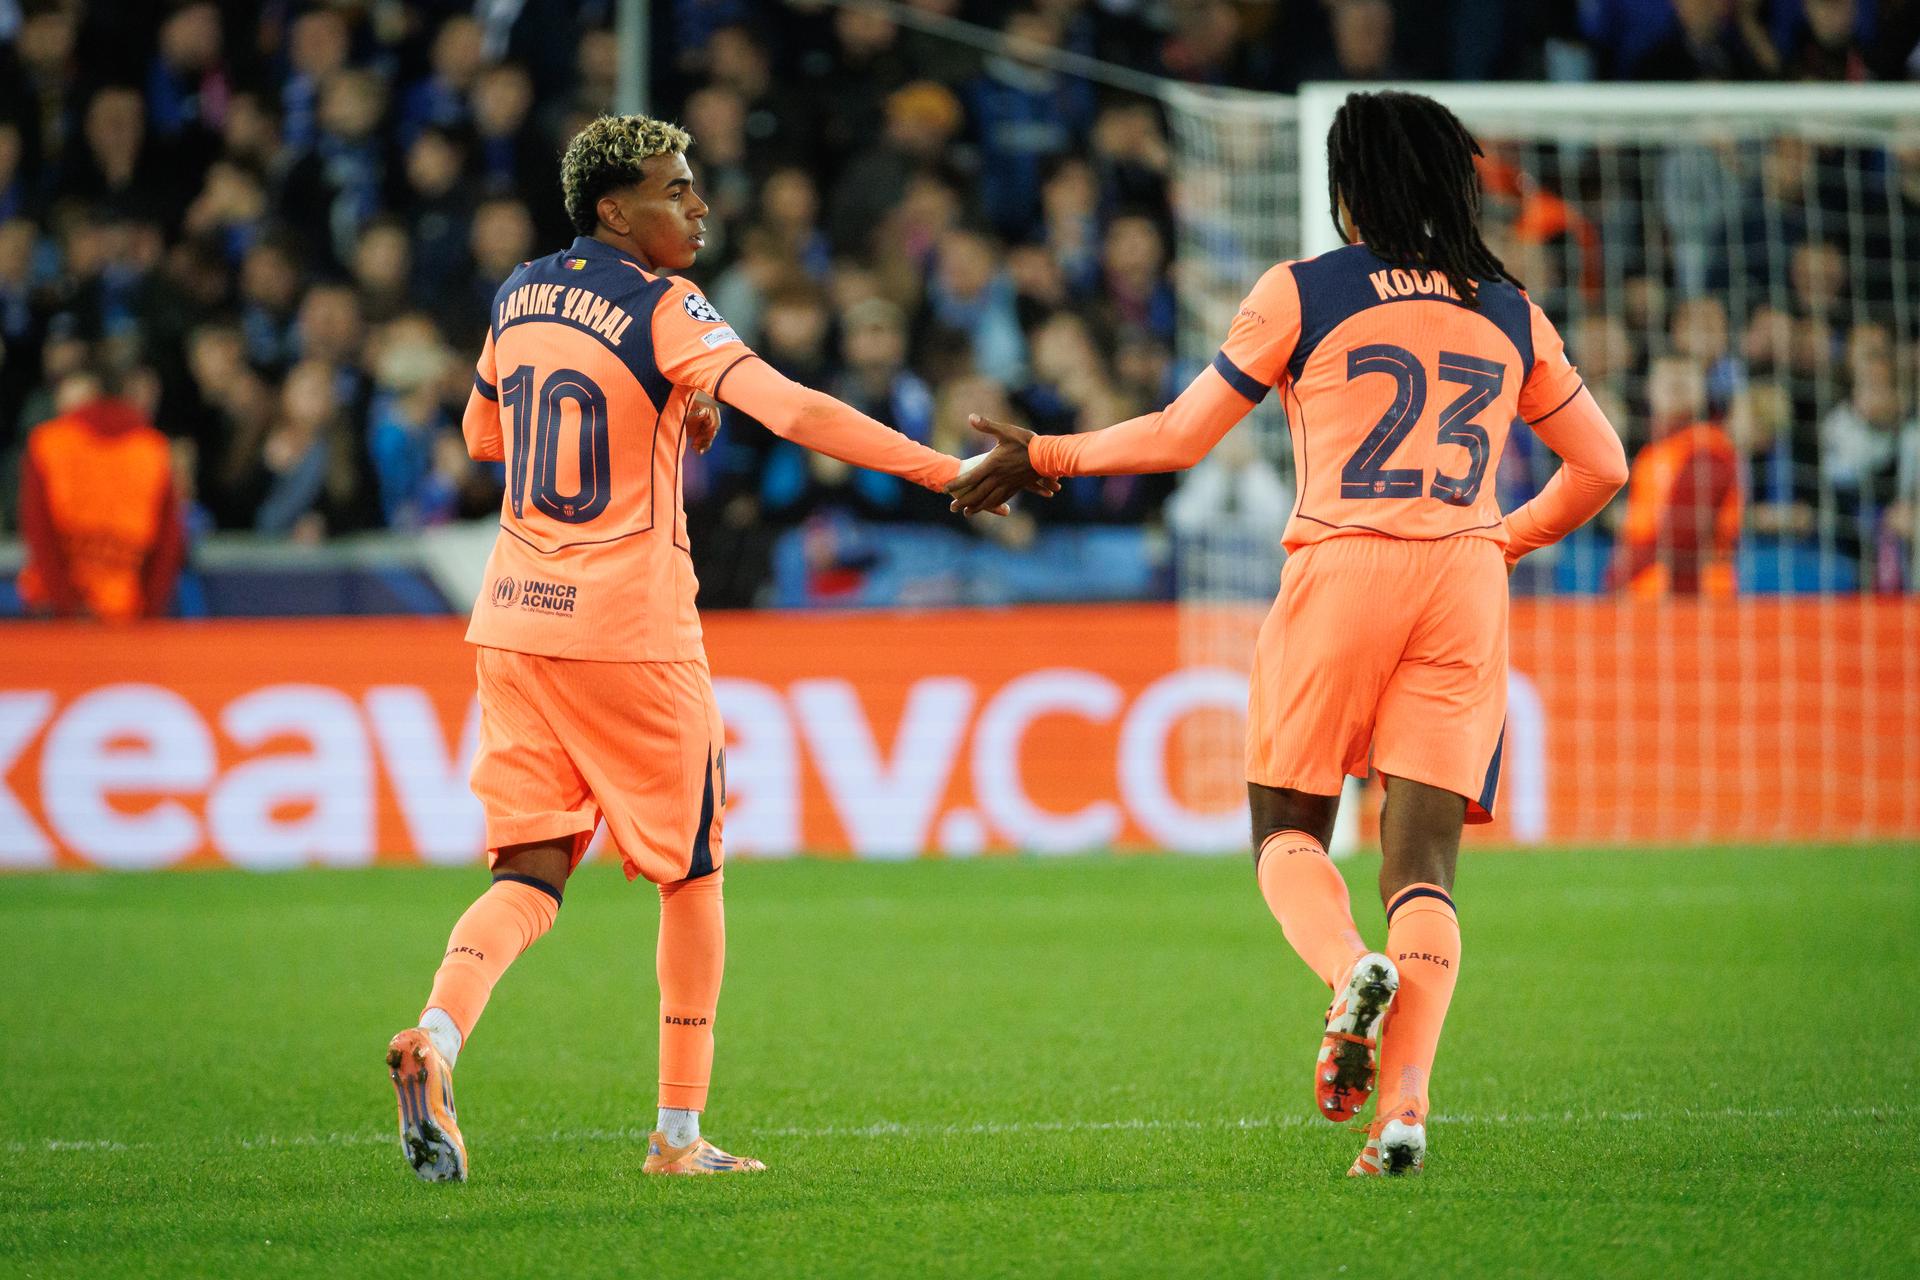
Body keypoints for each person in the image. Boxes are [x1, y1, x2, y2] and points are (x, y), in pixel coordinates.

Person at [949, 90, 1628, 1177]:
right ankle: (1402, 1109)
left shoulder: (1303, 291)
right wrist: (1502, 537)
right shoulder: (1510, 308)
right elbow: (1604, 467)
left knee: (1288, 829)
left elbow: (1180, 437)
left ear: (1348, 188)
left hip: (1341, 566)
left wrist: (1048, 455)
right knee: (1427, 868)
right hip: (1462, 578)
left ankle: (1350, 965)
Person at [384, 114, 1030, 1182]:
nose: (698, 206)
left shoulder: (519, 292)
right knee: (692, 870)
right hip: (626, 628)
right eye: (674, 190)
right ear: (613, 209)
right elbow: (791, 406)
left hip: (512, 618)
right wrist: (940, 470)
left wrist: (658, 416)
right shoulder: (663, 304)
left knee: (533, 871)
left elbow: (483, 438)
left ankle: (438, 1035)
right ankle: (678, 1135)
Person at [17, 369, 186, 621]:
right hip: (125, 609)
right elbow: (168, 542)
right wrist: (150, 609)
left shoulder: (49, 442)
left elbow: (39, 532)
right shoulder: (153, 449)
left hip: (51, 609)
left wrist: (66, 604)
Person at [1606, 355, 1742, 597]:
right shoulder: (1652, 453)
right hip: (1648, 597)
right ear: (1649, 389)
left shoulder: (1710, 449)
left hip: (1695, 598)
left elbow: (1683, 533)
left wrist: (1620, 578)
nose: (1676, 383)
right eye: (1668, 376)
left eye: (1686, 377)